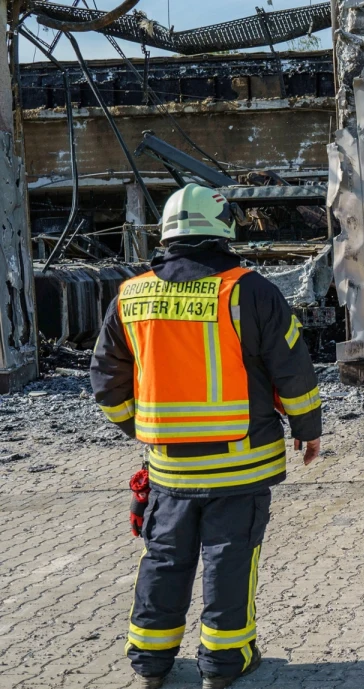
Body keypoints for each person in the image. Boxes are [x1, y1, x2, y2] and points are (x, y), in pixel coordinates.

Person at [90, 184, 323, 689]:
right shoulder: (250, 289)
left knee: (165, 558)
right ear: (223, 229)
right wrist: (308, 429)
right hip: (241, 463)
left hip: (169, 467)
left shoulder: (133, 294)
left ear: (168, 232)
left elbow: (105, 378)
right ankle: (223, 664)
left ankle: (150, 664)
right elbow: (291, 365)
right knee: (229, 559)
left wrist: (141, 426)